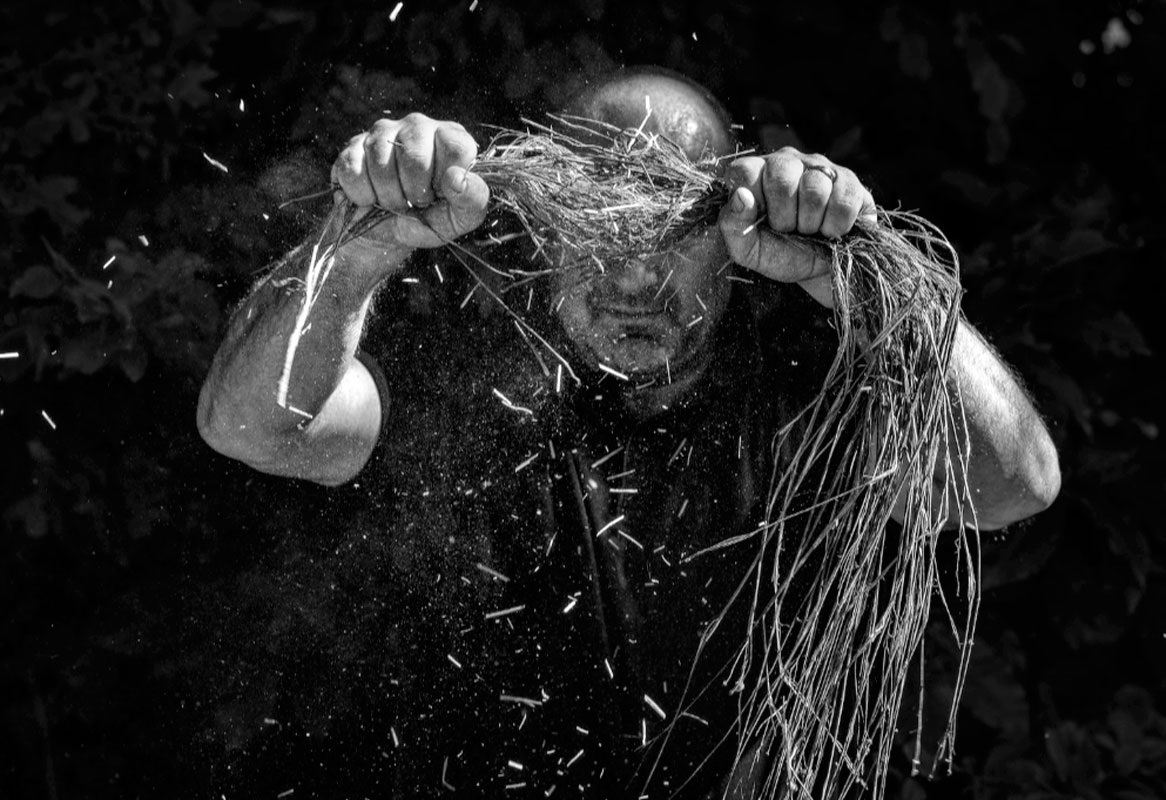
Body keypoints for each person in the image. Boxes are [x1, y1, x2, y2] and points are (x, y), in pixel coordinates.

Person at [197, 66, 1059, 799]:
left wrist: (863, 275)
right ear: (544, 222)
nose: (637, 275)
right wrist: (354, 250)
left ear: (734, 234)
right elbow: (253, 428)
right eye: (601, 222)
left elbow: (1014, 484)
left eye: (674, 229)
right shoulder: (457, 362)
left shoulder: (807, 387)